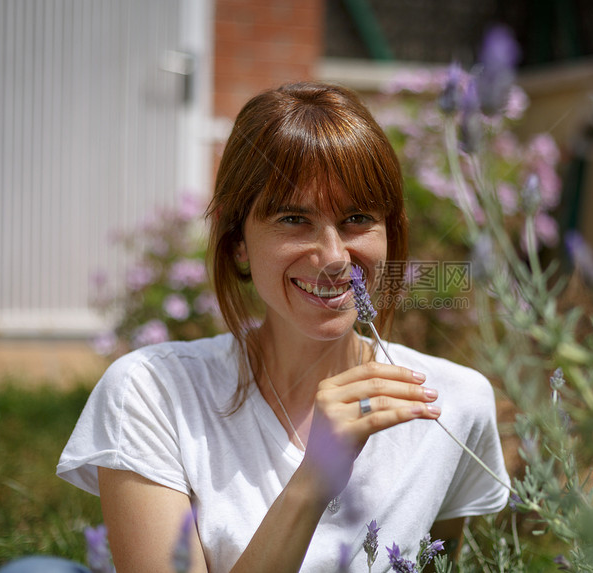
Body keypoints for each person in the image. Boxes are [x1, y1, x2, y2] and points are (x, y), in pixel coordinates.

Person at [58, 82, 510, 572]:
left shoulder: (454, 405)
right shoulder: (151, 394)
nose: (334, 257)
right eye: (294, 219)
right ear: (238, 245)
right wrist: (312, 481)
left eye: (357, 218)